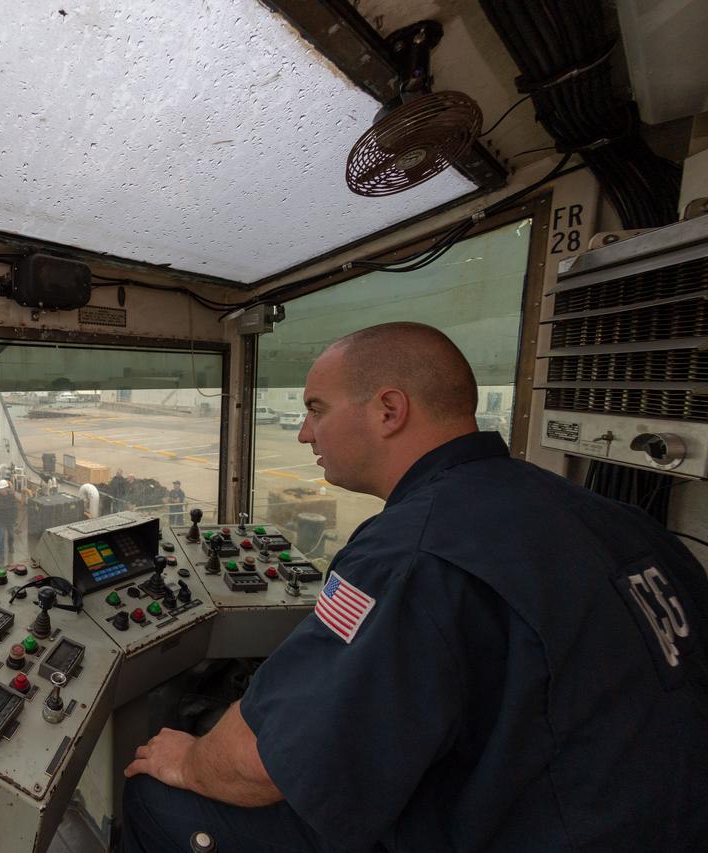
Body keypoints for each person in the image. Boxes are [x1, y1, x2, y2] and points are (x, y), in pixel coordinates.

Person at [122, 322, 708, 852]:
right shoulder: (627, 524)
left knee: (155, 797)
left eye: (316, 409)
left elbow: (269, 761)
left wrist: (189, 760)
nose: (303, 433)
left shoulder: (410, 550)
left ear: (389, 411)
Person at [0, 478, 19, 566]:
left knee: (11, 535)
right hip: (1, 521)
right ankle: (1, 556)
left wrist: (16, 519)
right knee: (1, 538)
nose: (0, 491)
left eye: (2, 489)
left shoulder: (11, 496)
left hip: (10, 520)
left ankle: (10, 546)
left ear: (6, 488)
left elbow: (15, 508)